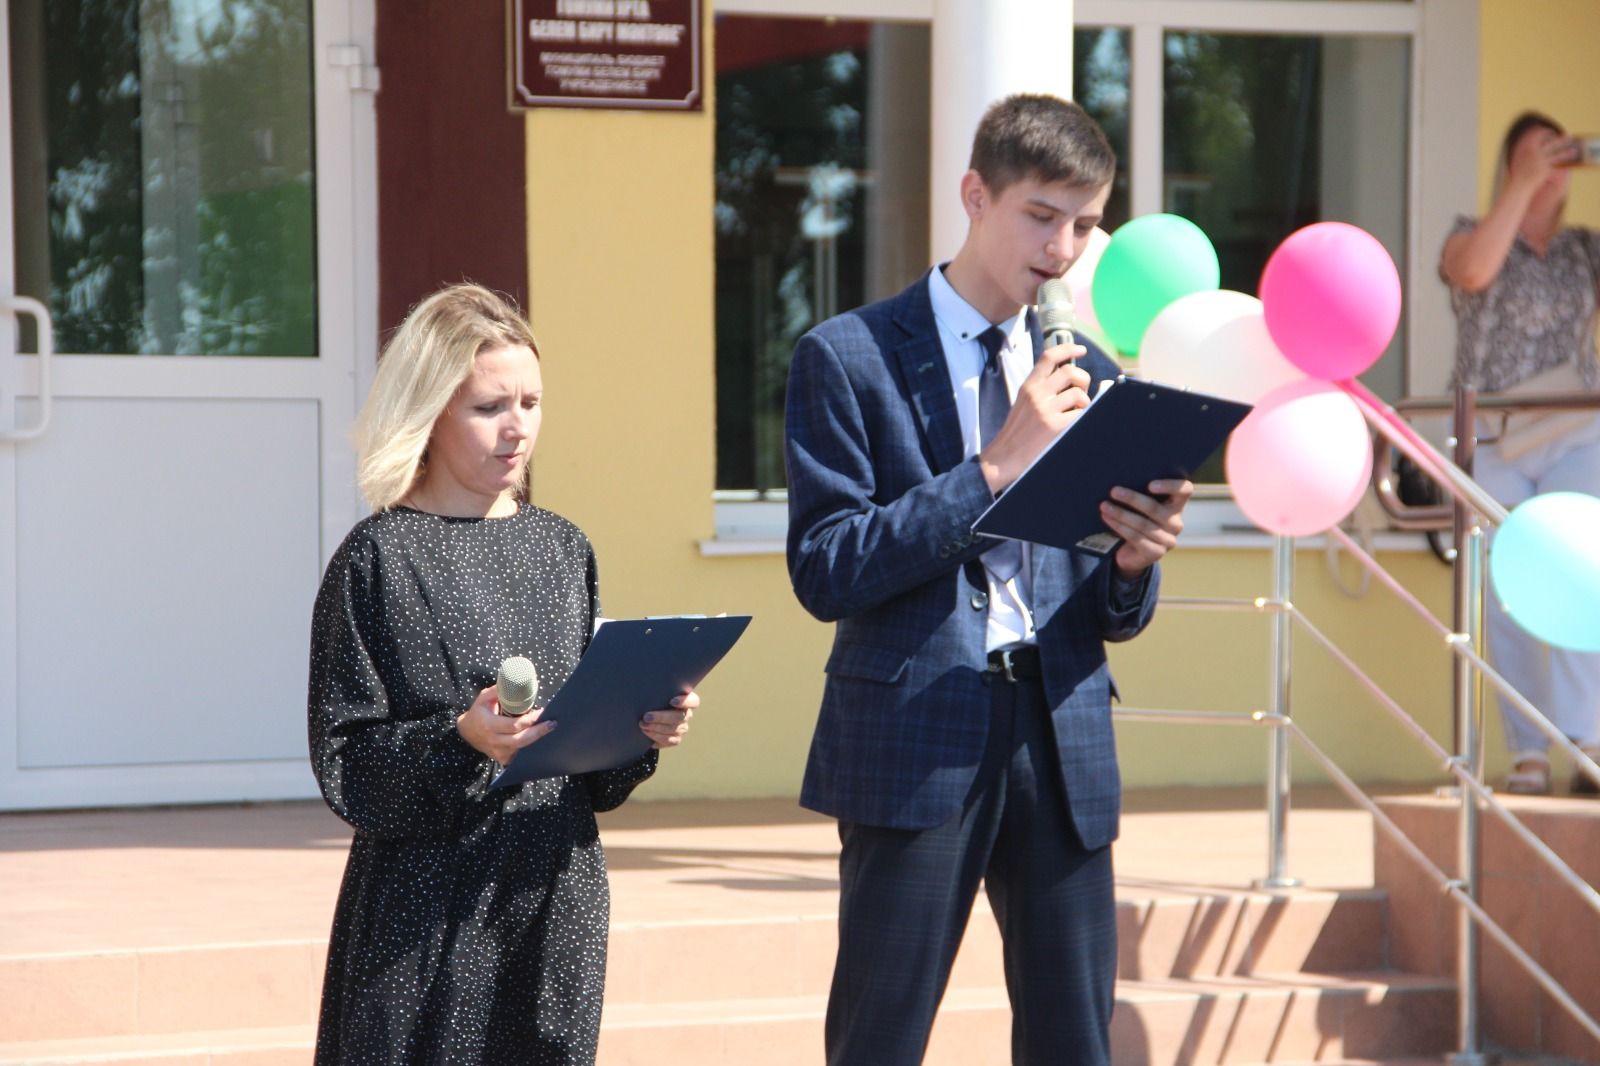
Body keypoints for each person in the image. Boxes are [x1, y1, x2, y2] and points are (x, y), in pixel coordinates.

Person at [783, 94, 1193, 1065]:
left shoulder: (1089, 370)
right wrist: (993, 470)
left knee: (1073, 1043)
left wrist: (1133, 561)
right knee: (878, 1039)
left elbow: (1102, 607)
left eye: (1084, 224)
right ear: (975, 195)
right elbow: (826, 567)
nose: (1062, 244)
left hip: (1061, 734)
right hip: (913, 734)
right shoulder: (848, 356)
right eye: (1040, 215)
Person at [307, 283, 697, 1064]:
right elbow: (346, 765)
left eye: (532, 401)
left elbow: (593, 778)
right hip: (423, 911)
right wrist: (460, 739)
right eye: (490, 407)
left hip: (553, 890)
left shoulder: (563, 548)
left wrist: (640, 727)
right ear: (430, 411)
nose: (518, 427)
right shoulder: (376, 560)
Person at [1439, 111, 1600, 796]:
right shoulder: (1467, 235)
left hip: (1572, 427)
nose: (1550, 165)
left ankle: (1589, 739)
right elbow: (1474, 273)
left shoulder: (1586, 248)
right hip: (1496, 432)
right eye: (1535, 154)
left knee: (1580, 574)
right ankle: (1527, 748)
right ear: (1508, 165)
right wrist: (1522, 186)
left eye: (1560, 153)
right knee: (1507, 593)